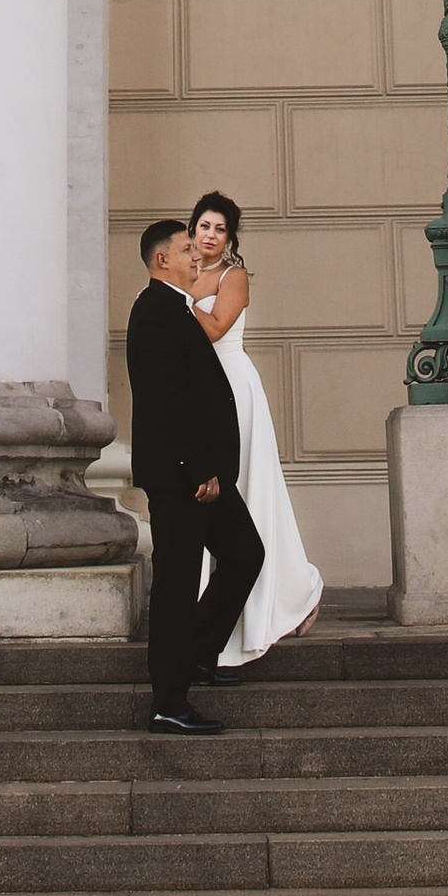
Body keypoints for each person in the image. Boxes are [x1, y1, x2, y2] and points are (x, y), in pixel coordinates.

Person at [125, 215, 263, 733]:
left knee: (245, 554)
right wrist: (198, 467)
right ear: (163, 259)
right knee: (177, 586)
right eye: (187, 250)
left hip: (201, 476)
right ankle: (168, 702)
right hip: (184, 477)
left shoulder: (176, 308)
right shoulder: (155, 310)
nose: (195, 257)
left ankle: (198, 656)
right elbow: (166, 399)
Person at [181, 187, 322, 663]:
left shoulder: (233, 275)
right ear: (192, 228)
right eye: (205, 226)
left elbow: (217, 327)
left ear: (229, 237)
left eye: (220, 229)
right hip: (198, 393)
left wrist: (172, 307)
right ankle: (207, 614)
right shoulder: (184, 275)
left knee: (248, 491)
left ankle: (294, 590)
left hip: (235, 389)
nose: (211, 235)